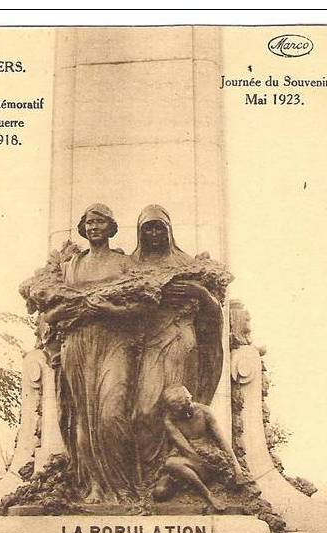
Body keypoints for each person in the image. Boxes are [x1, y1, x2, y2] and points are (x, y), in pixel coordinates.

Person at [44, 203, 139, 504]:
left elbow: (140, 308)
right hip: (78, 341)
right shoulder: (71, 266)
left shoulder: (124, 264)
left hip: (114, 341)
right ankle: (94, 486)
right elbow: (52, 311)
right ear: (83, 228)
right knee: (83, 419)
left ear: (111, 227)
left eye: (100, 222)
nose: (94, 227)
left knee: (111, 415)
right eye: (89, 222)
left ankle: (123, 487)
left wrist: (109, 309)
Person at [131, 204, 224, 480]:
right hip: (150, 343)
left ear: (169, 231)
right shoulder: (132, 265)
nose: (155, 233)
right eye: (148, 228)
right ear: (140, 233)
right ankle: (148, 474)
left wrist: (202, 294)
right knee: (144, 410)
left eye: (160, 227)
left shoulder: (188, 265)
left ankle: (175, 474)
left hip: (183, 342)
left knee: (179, 409)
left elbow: (214, 311)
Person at [153, 385, 246, 510]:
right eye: (172, 409)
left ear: (187, 403)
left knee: (171, 463)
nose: (174, 413)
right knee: (160, 492)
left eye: (177, 409)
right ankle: (192, 485)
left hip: (209, 460)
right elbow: (186, 449)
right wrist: (197, 465)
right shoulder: (170, 419)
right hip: (189, 460)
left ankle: (208, 494)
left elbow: (222, 441)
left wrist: (237, 469)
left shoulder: (204, 412)